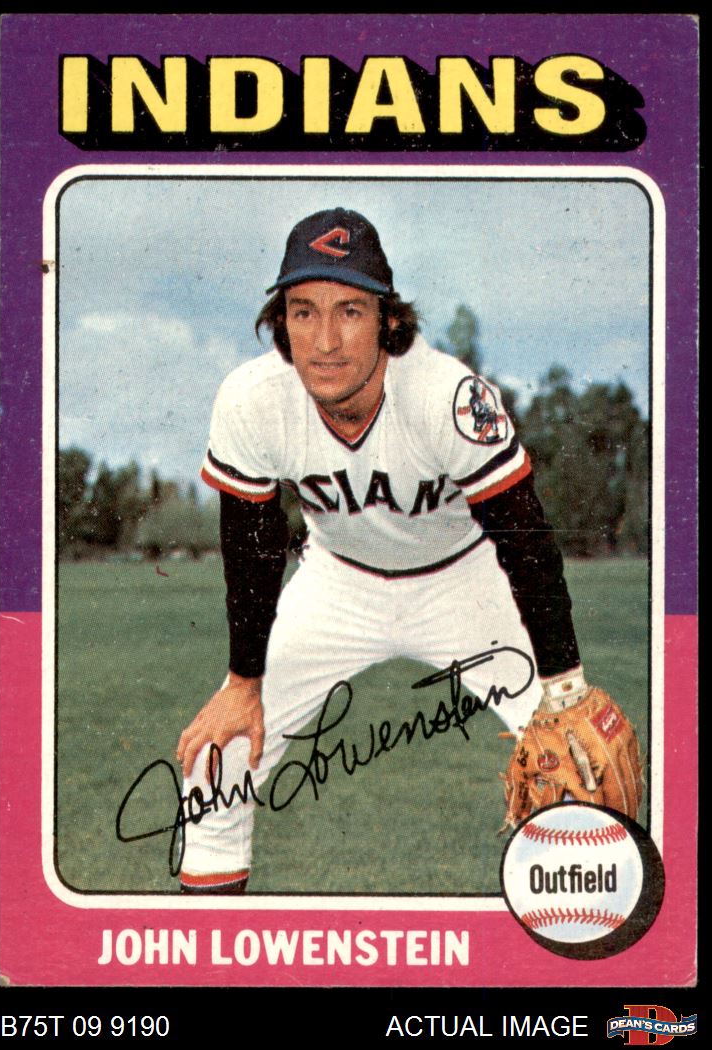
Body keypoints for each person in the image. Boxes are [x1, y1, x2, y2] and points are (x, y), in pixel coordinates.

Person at [176, 207, 642, 894]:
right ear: (281, 323)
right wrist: (243, 685)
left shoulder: (446, 394)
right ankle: (209, 947)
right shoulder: (254, 397)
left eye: (350, 311)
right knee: (215, 767)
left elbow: (525, 538)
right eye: (303, 312)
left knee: (579, 773)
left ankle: (590, 946)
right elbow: (251, 545)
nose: (325, 340)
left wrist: (563, 683)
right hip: (337, 583)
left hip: (465, 581)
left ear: (388, 321)